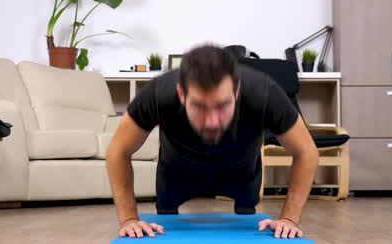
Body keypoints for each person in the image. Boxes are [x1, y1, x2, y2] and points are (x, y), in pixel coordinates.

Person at [106, 44, 319, 239]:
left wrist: (289, 218)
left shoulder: (264, 92)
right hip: (176, 175)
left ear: (236, 92)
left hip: (241, 176)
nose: (211, 121)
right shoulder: (158, 93)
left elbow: (306, 151)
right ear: (181, 93)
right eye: (199, 106)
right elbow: (118, 150)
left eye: (222, 105)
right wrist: (129, 219)